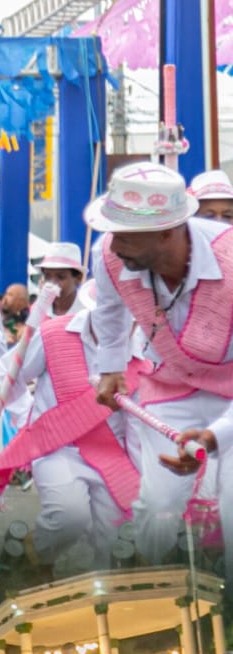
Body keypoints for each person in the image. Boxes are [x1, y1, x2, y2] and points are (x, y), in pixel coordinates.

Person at [90, 163, 233, 563]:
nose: (113, 246)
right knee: (158, 502)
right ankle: (156, 595)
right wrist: (111, 368)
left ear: (168, 232)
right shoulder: (110, 255)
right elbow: (109, 311)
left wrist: (216, 435)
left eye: (125, 235)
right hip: (168, 386)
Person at [0, 263, 138, 573]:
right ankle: (31, 554)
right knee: (68, 516)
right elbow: (10, 376)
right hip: (58, 448)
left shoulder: (140, 349)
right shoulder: (53, 333)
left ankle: (106, 607)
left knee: (115, 536)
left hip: (114, 455)